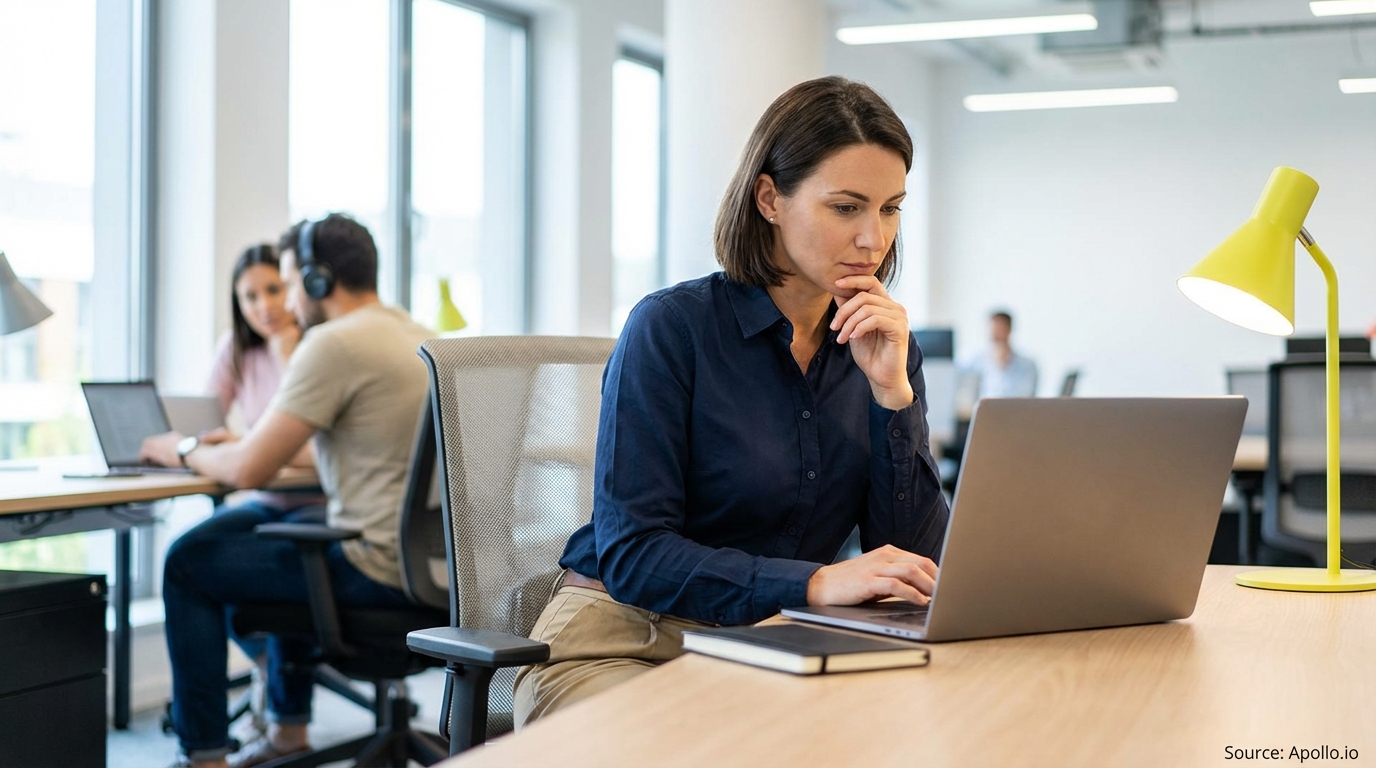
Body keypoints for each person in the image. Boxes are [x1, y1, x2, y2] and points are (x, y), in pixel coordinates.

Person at [512, 76, 950, 726]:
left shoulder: (878, 345)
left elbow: (910, 563)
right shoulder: (671, 329)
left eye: (890, 209)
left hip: (773, 644)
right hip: (624, 641)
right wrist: (813, 582)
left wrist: (894, 397)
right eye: (846, 208)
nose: (873, 239)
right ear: (769, 198)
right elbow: (634, 555)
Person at [139, 213, 435, 768]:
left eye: (289, 281)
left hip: (372, 570)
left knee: (185, 560)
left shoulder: (333, 344)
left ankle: (202, 757)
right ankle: (287, 734)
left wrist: (179, 449)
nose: (288, 300)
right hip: (438, 574)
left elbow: (249, 469)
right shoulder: (420, 335)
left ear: (318, 280)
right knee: (291, 536)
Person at [205, 243, 322, 744]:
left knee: (268, 566)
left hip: (322, 505)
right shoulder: (237, 349)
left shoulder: (318, 348)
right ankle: (269, 670)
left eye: (273, 290)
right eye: (250, 296)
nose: (264, 306)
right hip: (267, 499)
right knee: (199, 555)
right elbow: (204, 420)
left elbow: (320, 449)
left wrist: (253, 447)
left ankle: (284, 715)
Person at [960, 310, 1038, 399]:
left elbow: (1025, 397)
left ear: (1009, 330)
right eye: (993, 331)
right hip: (986, 412)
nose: (996, 336)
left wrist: (1002, 366)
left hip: (1016, 411)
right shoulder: (976, 362)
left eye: (1000, 331)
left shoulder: (1028, 366)